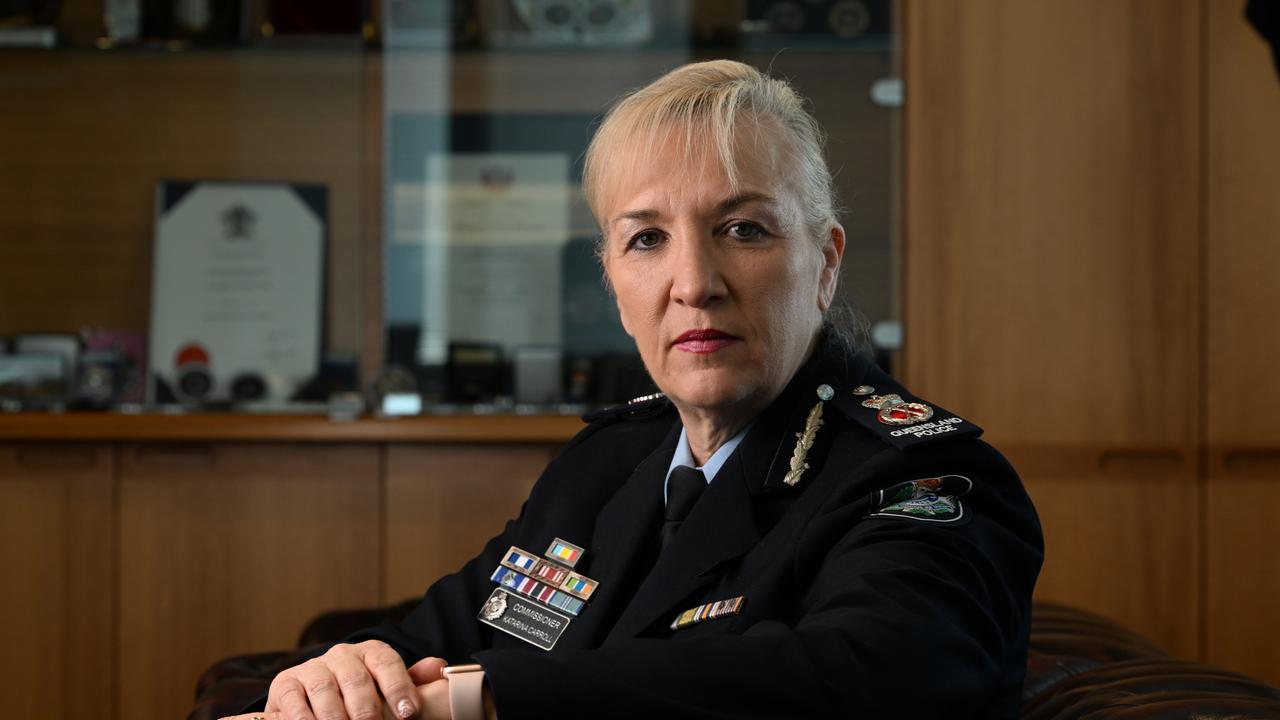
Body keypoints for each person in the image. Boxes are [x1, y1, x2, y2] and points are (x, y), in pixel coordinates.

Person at [221, 59, 1042, 720]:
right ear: (612, 282)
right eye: (646, 238)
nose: (693, 282)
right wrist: (336, 677)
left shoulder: (923, 480)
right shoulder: (611, 465)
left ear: (824, 262)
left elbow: (871, 680)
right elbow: (437, 635)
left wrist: (486, 697)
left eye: (743, 230)